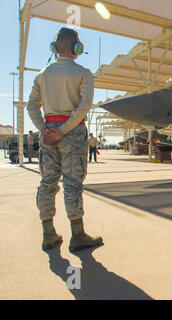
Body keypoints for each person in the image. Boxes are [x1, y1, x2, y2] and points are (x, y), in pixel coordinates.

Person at [27, 27, 103, 252]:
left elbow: (32, 106)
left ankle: (48, 234)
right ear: (76, 48)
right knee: (72, 184)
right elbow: (84, 106)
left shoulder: (42, 75)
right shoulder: (83, 73)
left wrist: (44, 129)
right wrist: (65, 129)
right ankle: (78, 235)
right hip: (72, 133)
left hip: (48, 132)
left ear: (55, 48)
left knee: (48, 183)